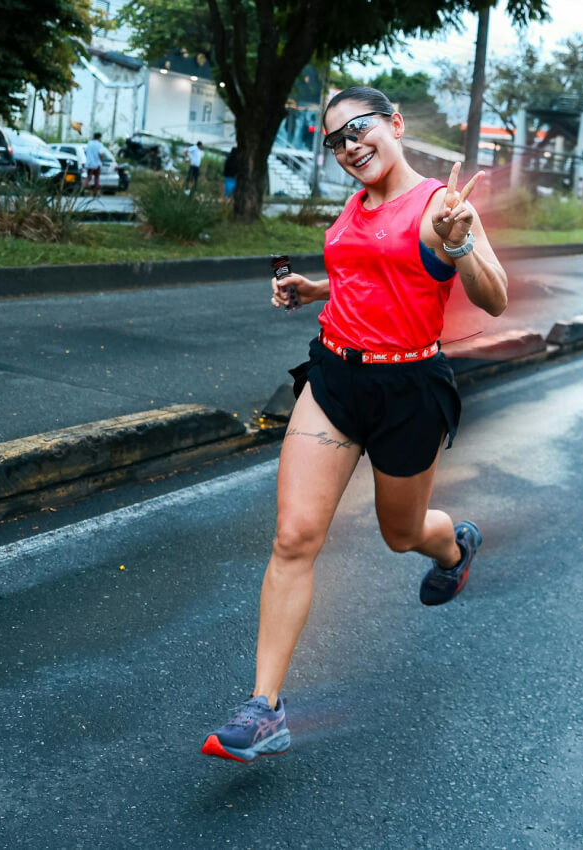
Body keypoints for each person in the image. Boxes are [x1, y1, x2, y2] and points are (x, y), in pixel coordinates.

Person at [200, 86, 509, 763]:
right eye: (335, 139)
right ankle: (264, 709)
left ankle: (453, 547)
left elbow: (494, 296)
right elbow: (369, 271)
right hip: (336, 376)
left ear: (395, 125)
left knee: (403, 534)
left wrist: (460, 248)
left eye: (360, 129)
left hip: (409, 390)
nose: (349, 146)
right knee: (293, 537)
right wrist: (315, 288)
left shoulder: (442, 207)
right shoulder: (357, 201)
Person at [84, 132, 104, 197]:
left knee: (89, 176)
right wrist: (101, 159)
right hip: (97, 164)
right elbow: (101, 154)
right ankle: (96, 191)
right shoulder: (100, 144)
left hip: (89, 163)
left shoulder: (89, 143)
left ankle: (83, 187)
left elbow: (86, 151)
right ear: (99, 137)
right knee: (96, 177)